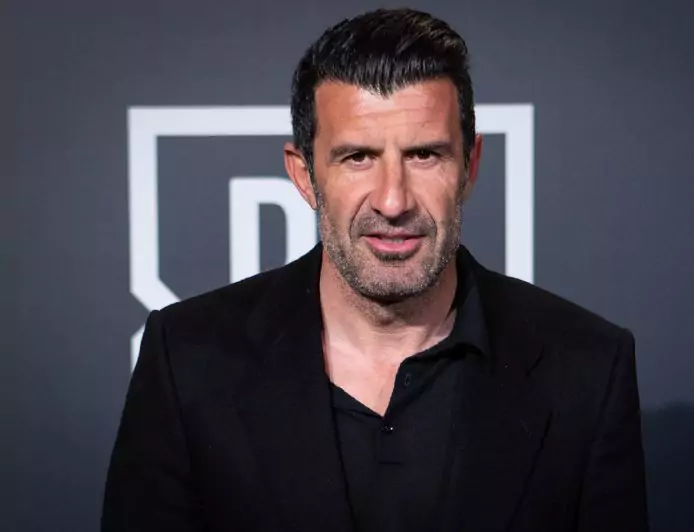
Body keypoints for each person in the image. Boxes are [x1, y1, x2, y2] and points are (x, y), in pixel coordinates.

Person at [101, 8, 648, 532]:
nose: (392, 200)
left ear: (470, 165)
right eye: (358, 157)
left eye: (424, 155)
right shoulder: (188, 360)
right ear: (304, 175)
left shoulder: (587, 369)